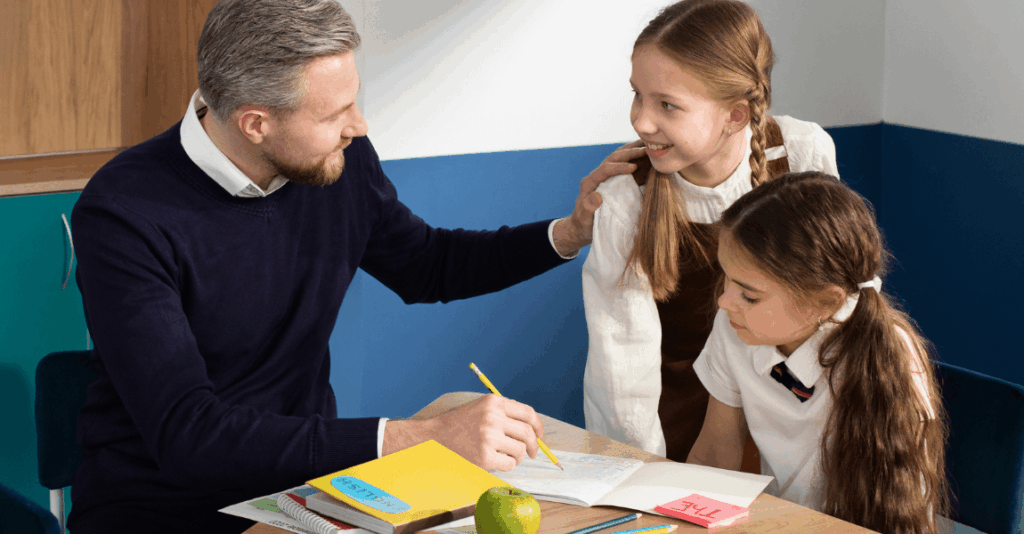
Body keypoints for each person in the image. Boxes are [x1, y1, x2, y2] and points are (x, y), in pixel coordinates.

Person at [67, 1, 643, 532]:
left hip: (306, 493)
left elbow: (428, 264)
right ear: (255, 123)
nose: (359, 126)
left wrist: (568, 235)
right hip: (161, 508)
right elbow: (189, 434)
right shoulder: (124, 213)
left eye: (355, 100)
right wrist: (417, 439)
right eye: (337, 112)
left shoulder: (334, 159)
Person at [582, 0, 839, 461]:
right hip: (677, 426)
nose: (641, 120)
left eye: (667, 104)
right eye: (637, 94)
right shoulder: (625, 198)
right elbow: (622, 370)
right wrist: (642, 474)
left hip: (790, 417)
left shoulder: (801, 155)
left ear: (736, 116)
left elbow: (834, 309)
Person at [688, 172, 949, 534]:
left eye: (749, 295)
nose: (724, 301)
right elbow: (717, 449)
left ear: (824, 302)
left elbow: (900, 510)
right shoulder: (736, 326)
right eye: (726, 278)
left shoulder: (888, 353)